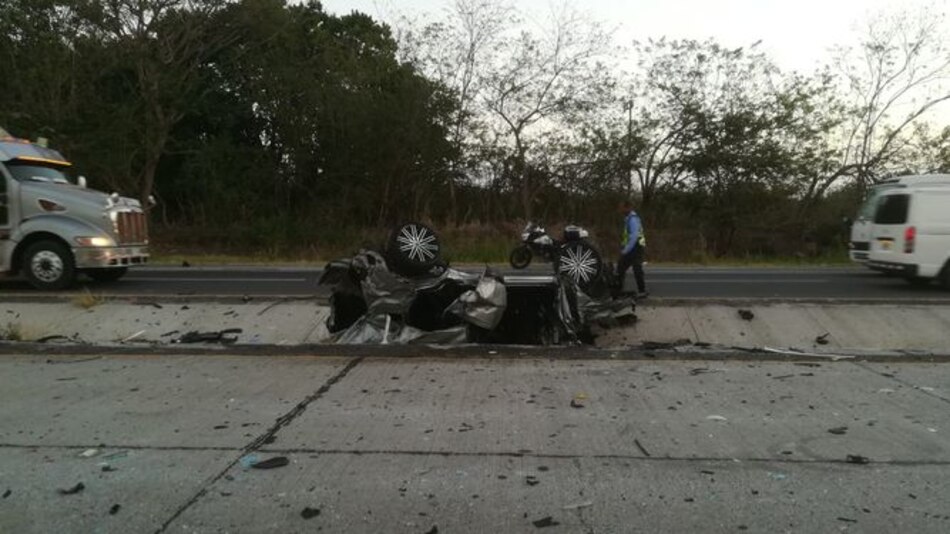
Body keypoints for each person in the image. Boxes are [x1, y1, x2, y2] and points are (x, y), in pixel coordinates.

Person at [616, 199, 648, 298]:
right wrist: (624, 245)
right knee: (622, 267)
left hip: (636, 247)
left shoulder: (633, 219)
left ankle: (641, 291)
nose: (620, 210)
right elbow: (628, 236)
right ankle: (619, 291)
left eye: (622, 208)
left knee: (634, 268)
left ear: (628, 208)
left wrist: (626, 250)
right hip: (634, 247)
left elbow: (634, 236)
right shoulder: (629, 218)